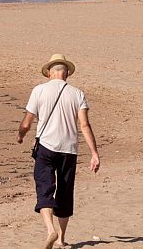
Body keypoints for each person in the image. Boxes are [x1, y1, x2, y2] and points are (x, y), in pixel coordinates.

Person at [16, 55, 100, 249]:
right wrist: (94, 153)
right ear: (67, 73)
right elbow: (85, 125)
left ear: (48, 73)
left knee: (44, 188)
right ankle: (61, 239)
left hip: (46, 147)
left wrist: (20, 135)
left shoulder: (39, 90)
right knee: (65, 191)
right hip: (69, 150)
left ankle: (50, 230)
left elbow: (27, 123)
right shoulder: (77, 94)